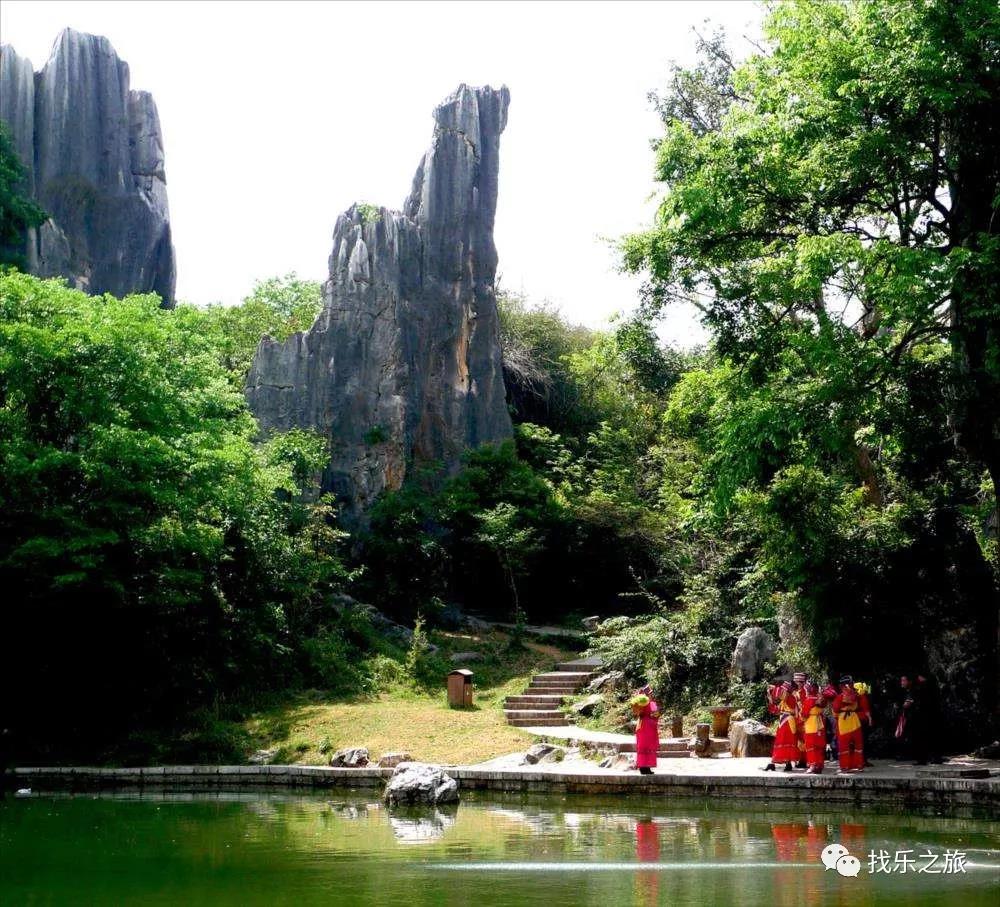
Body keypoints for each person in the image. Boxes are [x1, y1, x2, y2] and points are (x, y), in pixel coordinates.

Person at [763, 680, 800, 771]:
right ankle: (786, 763)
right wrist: (770, 699)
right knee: (783, 742)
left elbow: (779, 693)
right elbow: (777, 710)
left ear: (787, 690)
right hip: (784, 721)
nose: (782, 691)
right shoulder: (786, 700)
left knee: (783, 741)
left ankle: (776, 763)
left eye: (784, 690)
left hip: (787, 722)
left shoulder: (790, 698)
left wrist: (773, 688)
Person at [831, 675, 864, 773]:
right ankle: (858, 765)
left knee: (844, 745)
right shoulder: (856, 696)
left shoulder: (839, 697)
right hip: (854, 720)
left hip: (844, 721)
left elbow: (835, 711)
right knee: (857, 744)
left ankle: (845, 766)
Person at [631, 684, 660, 775]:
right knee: (645, 745)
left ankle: (645, 767)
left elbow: (637, 712)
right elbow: (656, 714)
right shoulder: (650, 703)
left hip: (645, 725)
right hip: (647, 726)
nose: (651, 695)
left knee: (646, 746)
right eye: (650, 694)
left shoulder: (642, 703)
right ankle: (644, 767)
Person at [801, 681, 827, 774]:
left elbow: (804, 715)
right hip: (820, 724)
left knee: (810, 746)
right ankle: (819, 765)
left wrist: (802, 720)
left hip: (811, 724)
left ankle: (812, 765)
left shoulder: (808, 700)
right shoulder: (821, 699)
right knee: (819, 746)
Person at [792, 672, 808, 768]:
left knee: (803, 740)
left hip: (803, 719)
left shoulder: (805, 692)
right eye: (796, 682)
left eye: (799, 682)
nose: (797, 683)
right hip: (795, 719)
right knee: (797, 740)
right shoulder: (794, 692)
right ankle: (799, 759)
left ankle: (804, 760)